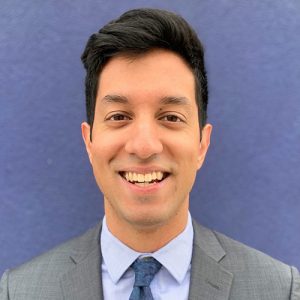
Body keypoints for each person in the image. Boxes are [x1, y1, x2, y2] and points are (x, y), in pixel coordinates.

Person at [0, 8, 299, 300]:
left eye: (170, 117)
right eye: (119, 116)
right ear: (89, 142)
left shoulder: (279, 290)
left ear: (201, 145)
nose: (144, 146)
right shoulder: (20, 291)